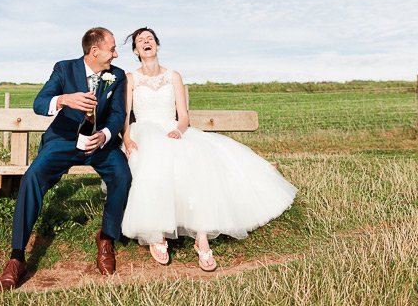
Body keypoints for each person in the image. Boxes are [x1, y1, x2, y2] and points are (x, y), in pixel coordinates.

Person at [120, 28, 298, 272]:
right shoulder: (131, 78)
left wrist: (180, 131)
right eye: (141, 41)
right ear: (136, 51)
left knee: (199, 162)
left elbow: (183, 115)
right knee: (153, 160)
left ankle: (201, 238)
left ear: (157, 46)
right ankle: (157, 233)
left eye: (150, 39)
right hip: (144, 131)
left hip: (173, 129)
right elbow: (124, 116)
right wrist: (128, 140)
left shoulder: (173, 76)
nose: (146, 42)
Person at [0, 27, 132, 291]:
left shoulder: (118, 75)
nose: (115, 54)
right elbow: (39, 103)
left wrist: (104, 135)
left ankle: (106, 238)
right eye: (112, 49)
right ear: (95, 51)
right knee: (32, 177)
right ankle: (17, 257)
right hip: (63, 140)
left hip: (99, 144)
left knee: (122, 175)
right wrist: (63, 100)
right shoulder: (64, 69)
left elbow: (117, 114)